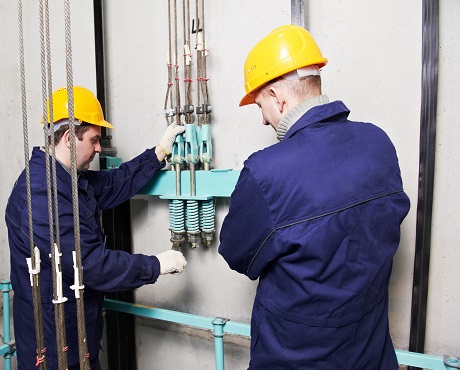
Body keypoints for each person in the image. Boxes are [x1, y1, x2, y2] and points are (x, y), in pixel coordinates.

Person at [218, 25, 410, 369]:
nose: (263, 120)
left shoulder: (266, 172)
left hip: (294, 358)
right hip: (370, 354)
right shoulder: (379, 143)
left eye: (260, 106)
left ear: (278, 97)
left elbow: (237, 255)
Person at [5, 86, 187, 370]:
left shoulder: (69, 180)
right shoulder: (41, 195)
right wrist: (155, 265)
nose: (100, 148)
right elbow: (90, 264)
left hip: (80, 333)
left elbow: (113, 183)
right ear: (68, 138)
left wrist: (158, 153)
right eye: (94, 140)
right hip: (53, 347)